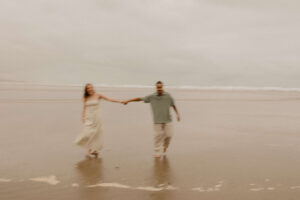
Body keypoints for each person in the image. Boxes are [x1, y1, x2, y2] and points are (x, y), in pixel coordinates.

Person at [122, 81, 180, 158]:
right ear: (156, 87)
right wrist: (128, 101)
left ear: (163, 87)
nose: (159, 88)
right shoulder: (152, 96)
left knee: (169, 135)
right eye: (158, 87)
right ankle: (157, 152)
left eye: (160, 87)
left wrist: (177, 114)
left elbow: (173, 105)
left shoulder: (168, 96)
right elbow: (140, 99)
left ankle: (165, 146)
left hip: (167, 119)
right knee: (157, 136)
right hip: (157, 120)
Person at [75, 83, 122, 157]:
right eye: (88, 88)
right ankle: (91, 149)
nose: (90, 89)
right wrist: (82, 116)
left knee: (96, 133)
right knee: (87, 133)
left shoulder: (98, 95)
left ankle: (93, 150)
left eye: (91, 87)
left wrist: (120, 101)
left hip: (97, 116)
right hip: (89, 117)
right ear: (86, 90)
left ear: (93, 88)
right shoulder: (85, 97)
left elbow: (109, 99)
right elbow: (84, 108)